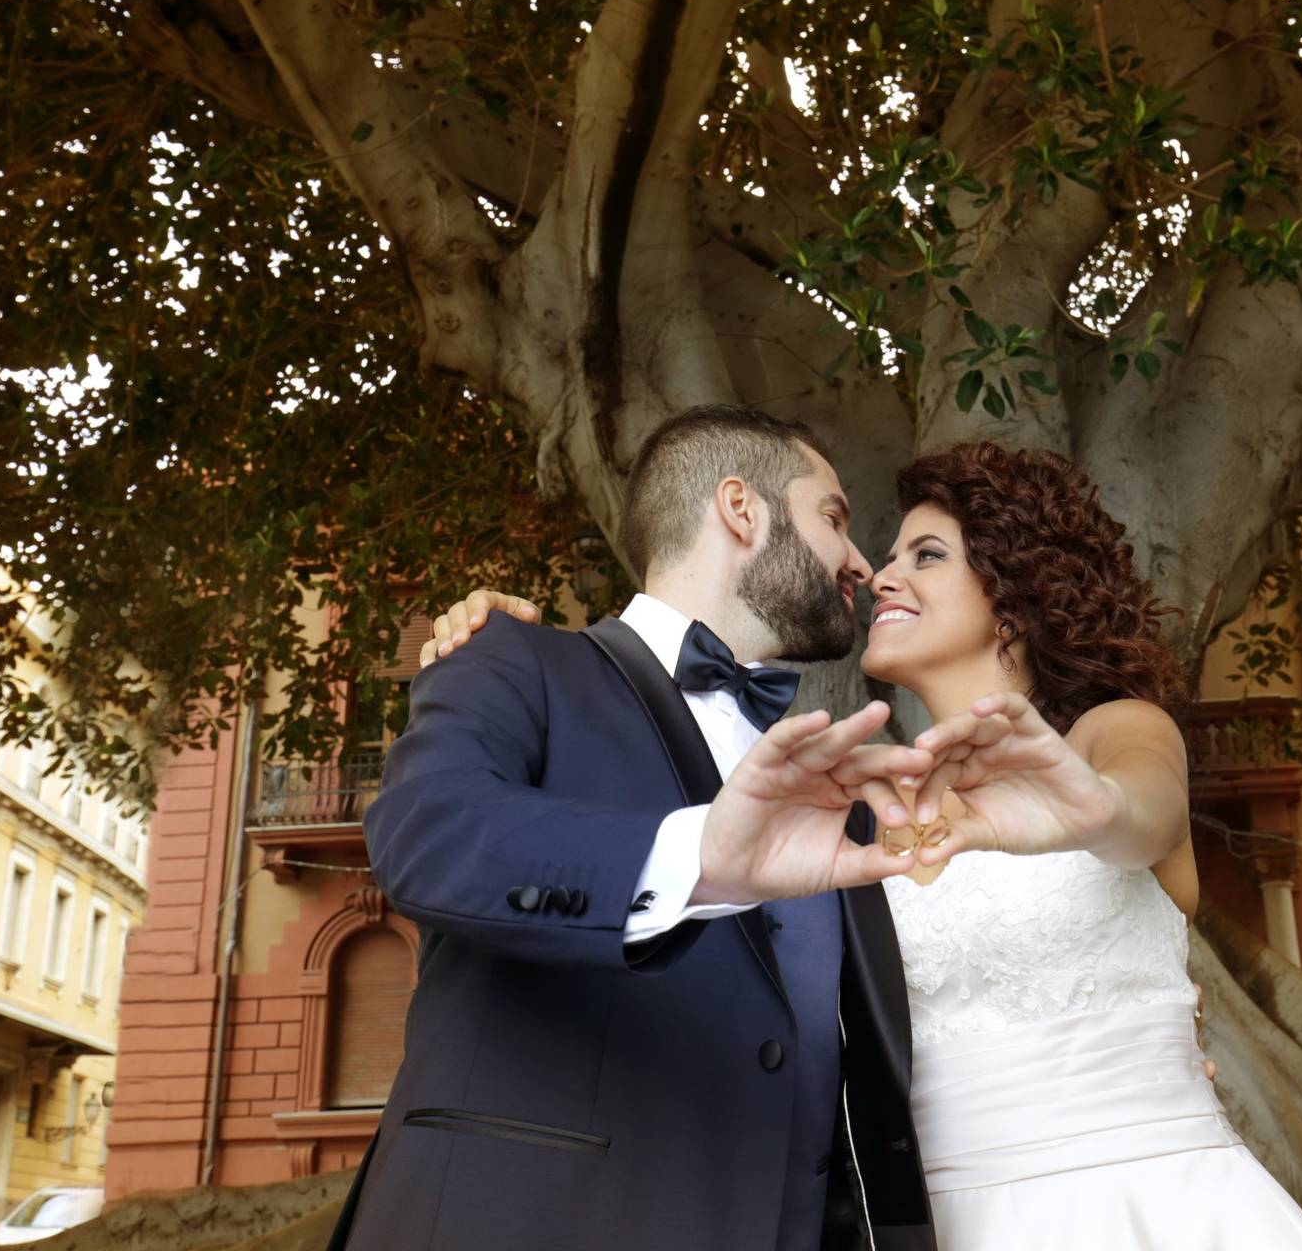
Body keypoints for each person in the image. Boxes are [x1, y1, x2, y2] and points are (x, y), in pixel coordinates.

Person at [431, 441, 1302, 1248]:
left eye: (925, 556)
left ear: (1013, 601)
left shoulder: (1114, 733)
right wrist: (499, 648)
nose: (879, 575)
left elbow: (1150, 815)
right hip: (929, 1222)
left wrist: (1085, 808)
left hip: (1147, 1202)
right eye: (881, 549)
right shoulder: (851, 812)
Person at [329, 406, 941, 1251]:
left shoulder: (831, 780)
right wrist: (703, 857)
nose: (860, 563)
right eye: (833, 518)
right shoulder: (512, 662)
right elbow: (431, 836)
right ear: (742, 508)